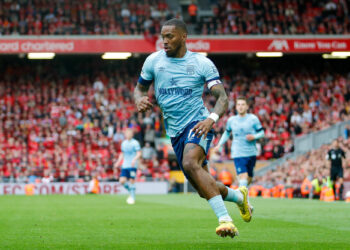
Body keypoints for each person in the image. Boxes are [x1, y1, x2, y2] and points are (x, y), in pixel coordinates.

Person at [134, 18, 250, 239]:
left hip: (198, 124)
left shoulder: (201, 63)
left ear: (184, 37)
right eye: (163, 37)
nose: (165, 41)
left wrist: (211, 119)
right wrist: (139, 100)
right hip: (174, 131)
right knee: (202, 188)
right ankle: (238, 197)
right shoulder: (153, 61)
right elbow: (139, 89)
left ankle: (225, 220)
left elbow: (222, 98)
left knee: (189, 163)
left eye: (170, 36)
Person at [214, 97, 265, 205]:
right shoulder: (232, 120)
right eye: (238, 105)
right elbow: (227, 133)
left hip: (251, 152)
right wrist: (219, 144)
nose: (240, 106)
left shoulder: (253, 119)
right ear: (236, 107)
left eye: (243, 104)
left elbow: (262, 133)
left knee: (249, 179)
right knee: (244, 176)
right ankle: (244, 202)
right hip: (237, 152)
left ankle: (243, 196)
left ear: (247, 106)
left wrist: (254, 136)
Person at [115, 128, 142, 204]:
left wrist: (134, 159)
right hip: (125, 165)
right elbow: (122, 153)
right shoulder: (124, 143)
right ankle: (131, 190)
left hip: (133, 165)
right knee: (122, 181)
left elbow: (139, 153)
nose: (128, 135)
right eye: (126, 134)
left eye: (129, 133)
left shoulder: (135, 143)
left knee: (131, 180)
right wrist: (118, 162)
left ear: (132, 134)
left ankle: (132, 198)